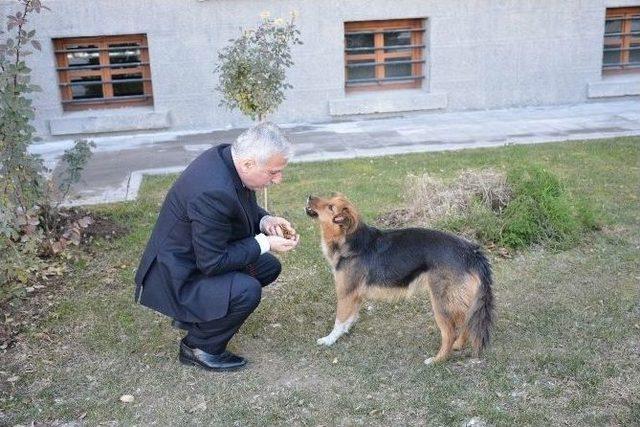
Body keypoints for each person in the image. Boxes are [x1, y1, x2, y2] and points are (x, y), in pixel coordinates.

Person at [134, 122, 299, 371]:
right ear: (248, 164)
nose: (278, 180)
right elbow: (213, 263)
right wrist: (265, 242)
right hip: (178, 276)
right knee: (247, 290)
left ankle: (205, 315)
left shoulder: (227, 158)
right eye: (273, 172)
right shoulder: (212, 190)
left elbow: (236, 205)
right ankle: (199, 347)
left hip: (193, 259)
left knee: (266, 266)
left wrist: (264, 221)